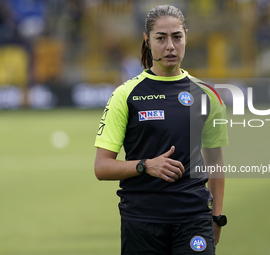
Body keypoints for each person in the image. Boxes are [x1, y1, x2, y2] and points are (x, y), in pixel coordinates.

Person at [94, 5, 228, 255]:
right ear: (147, 41)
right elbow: (101, 168)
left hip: (194, 219)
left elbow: (215, 161)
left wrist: (217, 215)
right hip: (142, 220)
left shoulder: (207, 95)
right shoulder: (125, 95)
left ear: (186, 36)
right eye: (161, 38)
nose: (170, 46)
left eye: (177, 37)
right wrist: (145, 165)